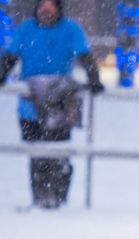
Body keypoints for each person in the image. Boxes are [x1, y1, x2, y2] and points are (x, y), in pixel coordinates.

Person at [0, 0, 104, 209]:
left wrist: (94, 78)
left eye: (50, 5)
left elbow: (84, 56)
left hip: (59, 106)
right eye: (42, 5)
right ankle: (41, 199)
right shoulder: (27, 29)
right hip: (30, 108)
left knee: (58, 154)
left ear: (58, 8)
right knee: (37, 155)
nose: (46, 9)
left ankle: (57, 199)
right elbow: (10, 57)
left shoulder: (71, 30)